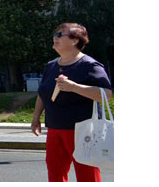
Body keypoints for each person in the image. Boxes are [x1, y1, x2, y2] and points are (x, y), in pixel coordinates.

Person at [31, 23, 113, 182]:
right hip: (55, 128)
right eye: (55, 34)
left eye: (60, 35)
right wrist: (36, 119)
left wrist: (74, 87)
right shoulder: (51, 66)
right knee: (55, 173)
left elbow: (106, 94)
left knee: (87, 174)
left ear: (75, 41)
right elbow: (42, 94)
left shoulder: (90, 65)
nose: (55, 37)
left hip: (82, 130)